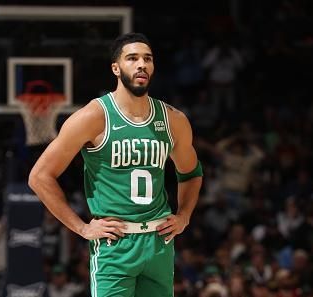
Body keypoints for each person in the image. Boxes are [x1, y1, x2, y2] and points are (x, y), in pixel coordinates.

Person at [28, 32, 203, 297]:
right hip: (115, 244)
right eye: (132, 58)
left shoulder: (173, 119)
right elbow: (40, 177)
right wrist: (82, 228)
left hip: (158, 242)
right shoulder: (93, 116)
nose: (141, 64)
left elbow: (191, 173)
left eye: (148, 59)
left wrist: (184, 216)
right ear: (116, 68)